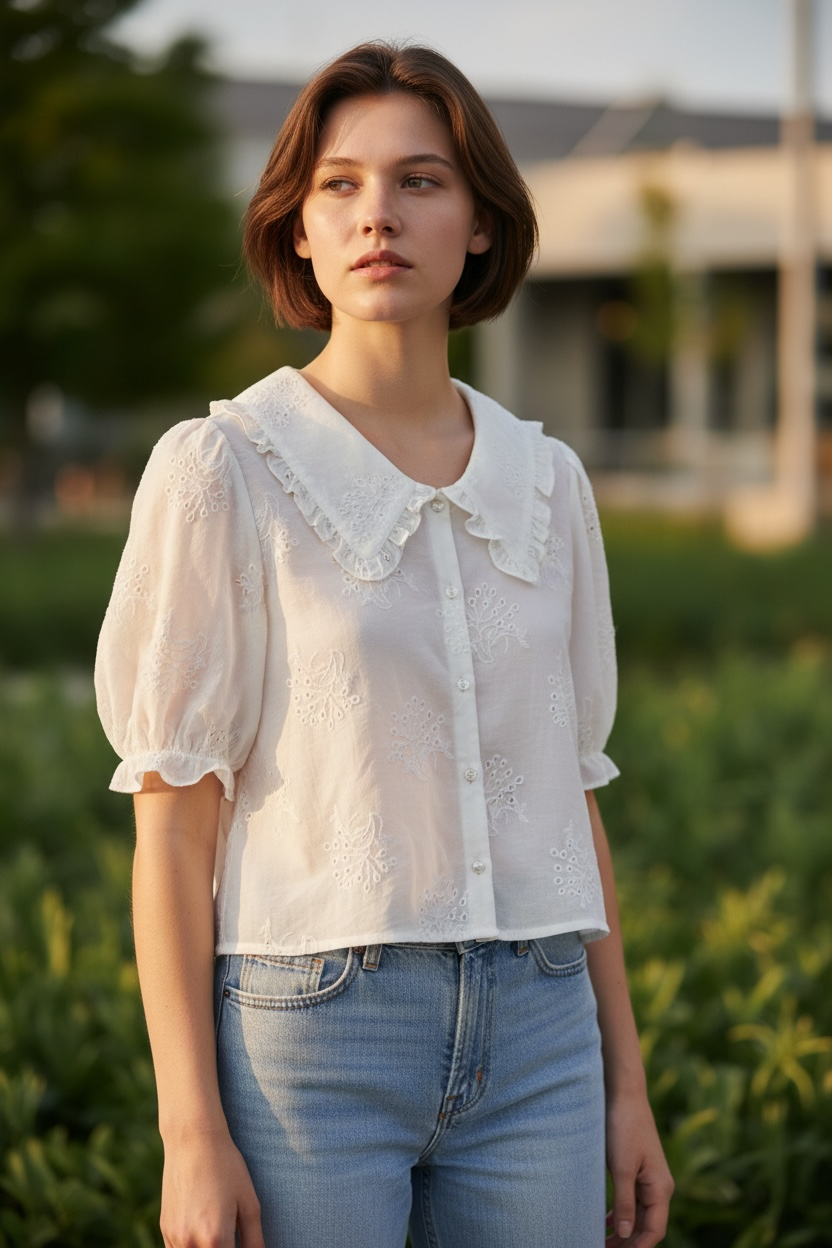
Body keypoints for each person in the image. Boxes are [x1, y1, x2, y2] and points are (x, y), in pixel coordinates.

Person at [95, 40, 673, 1248]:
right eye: (339, 185)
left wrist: (627, 1085)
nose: (378, 216)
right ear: (298, 229)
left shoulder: (549, 483)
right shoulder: (224, 470)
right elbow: (175, 821)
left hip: (543, 1037)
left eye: (420, 180)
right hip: (312, 1039)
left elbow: (571, 795)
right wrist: (190, 1133)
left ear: (480, 222)